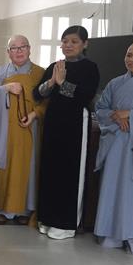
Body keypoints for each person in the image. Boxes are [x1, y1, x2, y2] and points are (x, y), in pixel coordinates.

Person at [34, 26, 99, 239]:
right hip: (53, 123)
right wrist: (52, 81)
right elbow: (38, 94)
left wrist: (63, 83)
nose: (68, 45)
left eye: (74, 41)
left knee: (69, 170)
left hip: (75, 124)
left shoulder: (90, 68)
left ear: (84, 44)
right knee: (50, 169)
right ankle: (47, 218)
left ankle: (66, 223)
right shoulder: (55, 66)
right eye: (65, 41)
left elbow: (85, 95)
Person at [94, 41, 133, 253]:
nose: (132, 60)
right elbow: (100, 109)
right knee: (114, 189)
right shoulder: (115, 83)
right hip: (116, 144)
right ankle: (112, 236)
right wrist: (115, 116)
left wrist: (131, 114)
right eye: (129, 55)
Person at [0, 35, 46, 225]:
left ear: (29, 49)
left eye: (22, 47)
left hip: (31, 128)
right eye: (14, 48)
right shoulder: (2, 72)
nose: (18, 51)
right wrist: (6, 88)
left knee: (29, 167)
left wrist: (35, 114)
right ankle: (3, 209)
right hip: (6, 128)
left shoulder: (40, 73)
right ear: (8, 52)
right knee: (5, 166)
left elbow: (48, 100)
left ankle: (26, 209)